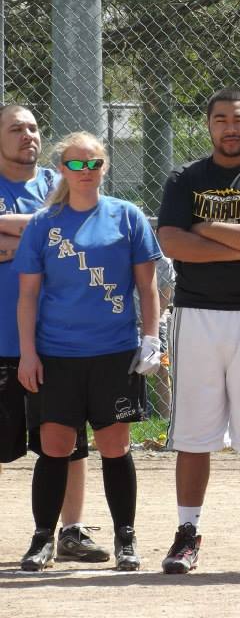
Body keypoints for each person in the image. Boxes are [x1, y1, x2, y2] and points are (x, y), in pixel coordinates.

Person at [156, 88, 240, 575]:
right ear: (209, 125)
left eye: (239, 119)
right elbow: (171, 240)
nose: (229, 127)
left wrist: (205, 226)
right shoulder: (184, 178)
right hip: (197, 316)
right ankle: (187, 533)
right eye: (220, 119)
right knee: (194, 435)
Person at [14, 131, 161, 572]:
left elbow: (147, 285)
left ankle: (126, 539)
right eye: (75, 164)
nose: (85, 172)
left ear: (104, 167)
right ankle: (43, 539)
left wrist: (151, 340)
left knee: (114, 444)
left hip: (114, 350)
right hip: (57, 353)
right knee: (55, 445)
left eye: (93, 163)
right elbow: (27, 296)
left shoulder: (126, 216)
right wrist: (28, 353)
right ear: (62, 169)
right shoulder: (44, 223)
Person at [0, 105, 110, 569]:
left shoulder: (57, 181)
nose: (28, 135)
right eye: (15, 128)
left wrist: (14, 240)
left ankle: (71, 532)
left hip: (58, 342)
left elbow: (76, 229)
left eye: (33, 127)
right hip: (4, 339)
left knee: (67, 442)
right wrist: (44, 233)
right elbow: (53, 230)